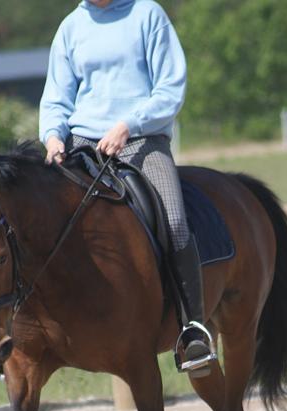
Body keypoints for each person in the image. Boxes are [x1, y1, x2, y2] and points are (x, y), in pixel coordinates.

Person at [39, 0, 217, 375]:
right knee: (35, 219)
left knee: (174, 221)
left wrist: (129, 124)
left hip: (141, 139)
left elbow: (169, 88)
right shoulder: (71, 26)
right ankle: (19, 330)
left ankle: (193, 330)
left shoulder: (147, 14)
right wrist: (53, 136)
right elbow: (56, 97)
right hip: (81, 142)